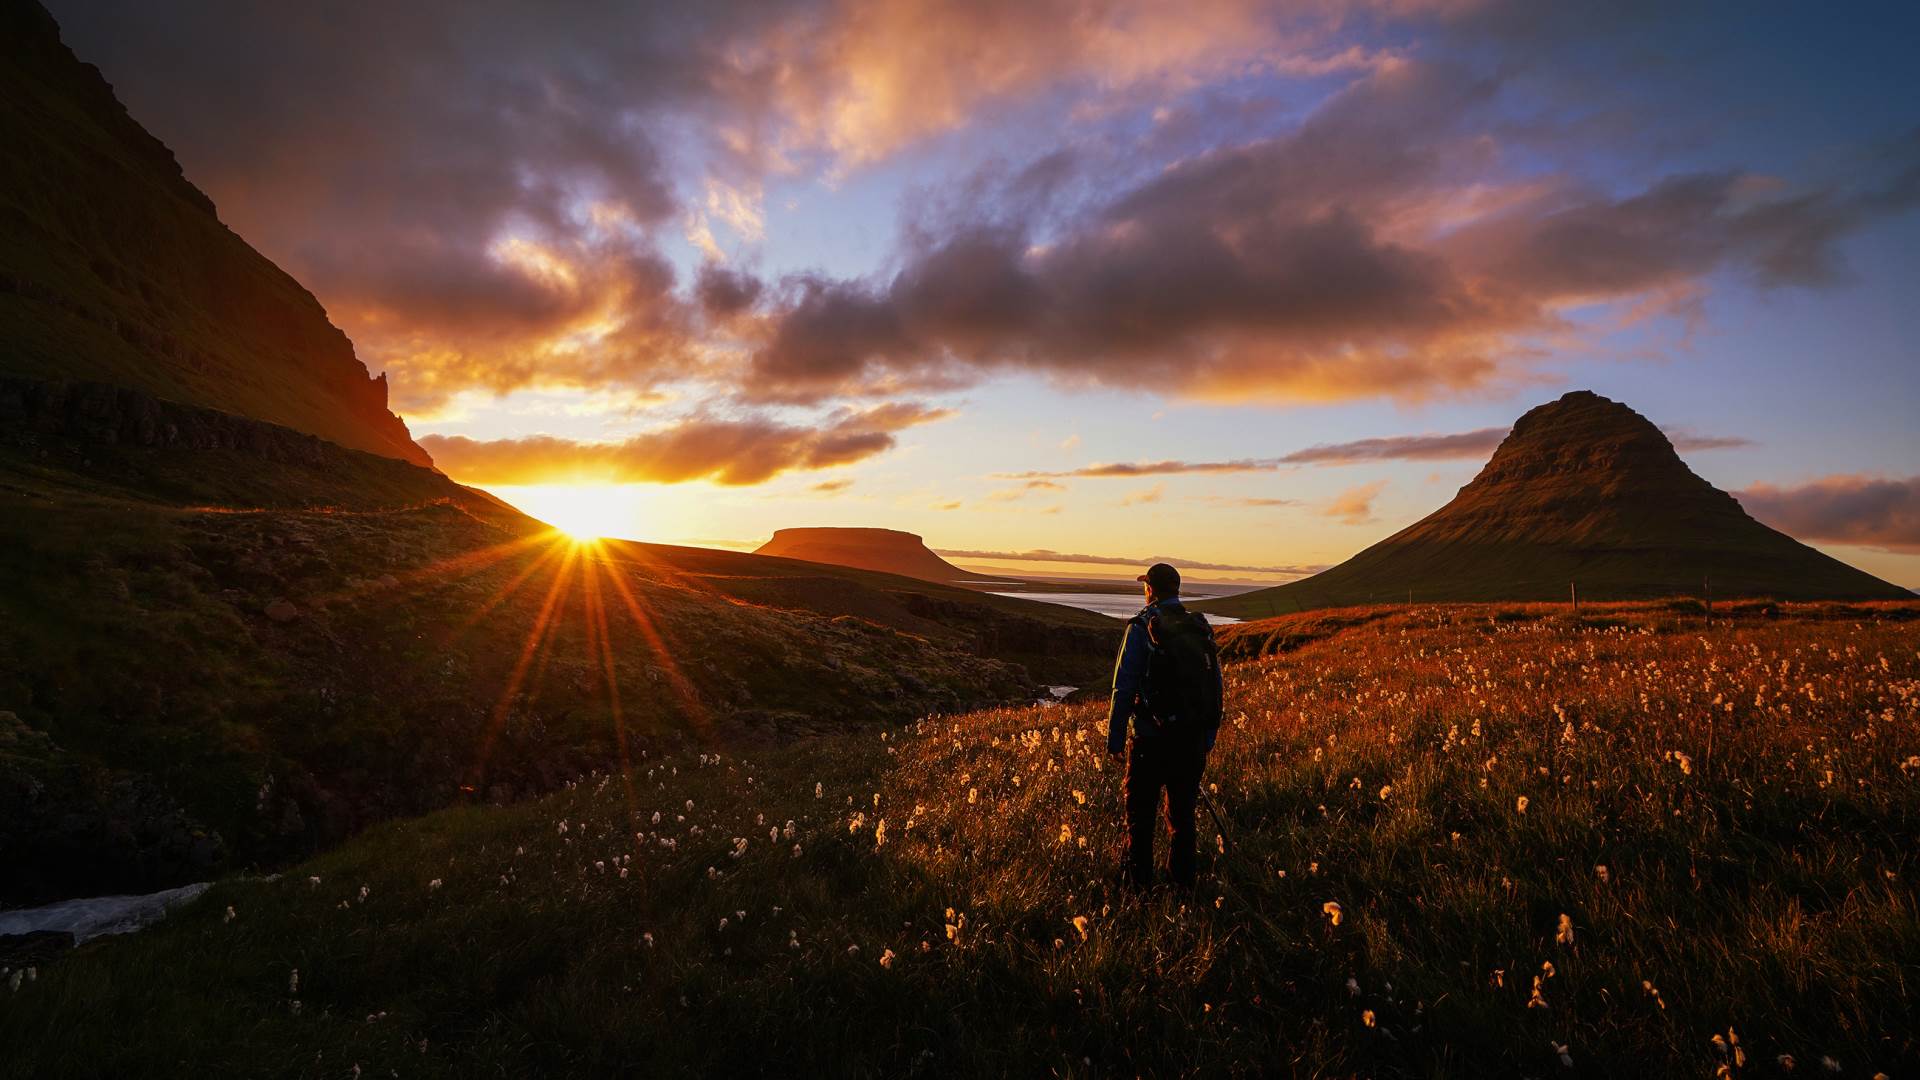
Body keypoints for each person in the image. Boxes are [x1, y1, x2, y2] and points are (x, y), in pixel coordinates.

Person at [1106, 562, 1223, 891]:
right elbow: (1214, 684)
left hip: (1149, 740)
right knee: (1182, 817)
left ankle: (1137, 888)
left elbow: (1123, 687)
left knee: (1140, 819)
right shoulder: (1199, 628)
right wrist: (1207, 736)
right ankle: (1183, 886)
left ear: (1150, 590)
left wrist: (1116, 739)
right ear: (1177, 589)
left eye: (1145, 585)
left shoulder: (1141, 627)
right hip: (1191, 740)